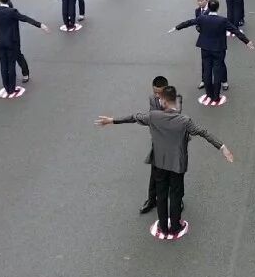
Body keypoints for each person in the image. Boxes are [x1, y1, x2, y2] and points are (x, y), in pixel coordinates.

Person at [95, 86, 234, 239]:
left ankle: (163, 226)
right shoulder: (184, 121)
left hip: (159, 163)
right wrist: (222, 147)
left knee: (161, 195)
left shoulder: (154, 116)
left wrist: (112, 120)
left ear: (165, 102)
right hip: (177, 164)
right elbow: (204, 132)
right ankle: (175, 226)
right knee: (175, 194)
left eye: (160, 99)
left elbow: (134, 117)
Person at [168, 0, 254, 105]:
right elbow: (235, 31)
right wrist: (247, 41)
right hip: (218, 49)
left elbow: (189, 22)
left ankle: (209, 94)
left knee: (207, 71)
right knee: (217, 72)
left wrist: (176, 27)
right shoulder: (223, 20)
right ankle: (216, 96)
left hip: (205, 48)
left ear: (208, 7)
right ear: (218, 8)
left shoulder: (202, 18)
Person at [140, 76, 171, 214]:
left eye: (160, 92)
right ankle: (151, 200)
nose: (157, 96)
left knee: (172, 174)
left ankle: (176, 199)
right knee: (154, 173)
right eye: (155, 92)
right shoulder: (152, 99)